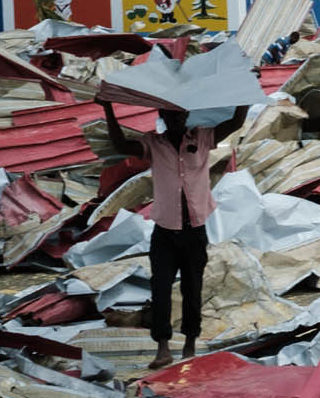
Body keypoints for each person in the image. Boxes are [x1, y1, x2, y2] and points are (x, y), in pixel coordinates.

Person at [101, 102, 243, 369]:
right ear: (162, 116)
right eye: (170, 115)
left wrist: (245, 94)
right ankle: (163, 348)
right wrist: (108, 109)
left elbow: (235, 123)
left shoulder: (202, 138)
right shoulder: (153, 144)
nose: (176, 119)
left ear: (186, 114)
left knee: (192, 289)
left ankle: (189, 346)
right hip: (165, 232)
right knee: (161, 289)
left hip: (194, 231)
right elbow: (121, 146)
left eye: (179, 114)